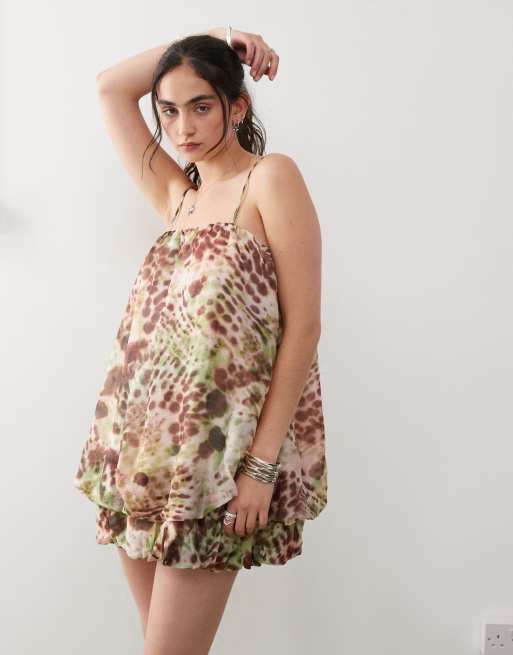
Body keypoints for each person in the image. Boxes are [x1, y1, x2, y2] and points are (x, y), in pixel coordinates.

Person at [73, 26, 328, 654]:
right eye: (167, 110)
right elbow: (109, 88)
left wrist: (260, 468)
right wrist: (217, 35)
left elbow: (304, 328)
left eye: (201, 106)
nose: (181, 127)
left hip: (215, 461)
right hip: (141, 452)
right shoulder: (177, 197)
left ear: (237, 107)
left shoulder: (270, 179)